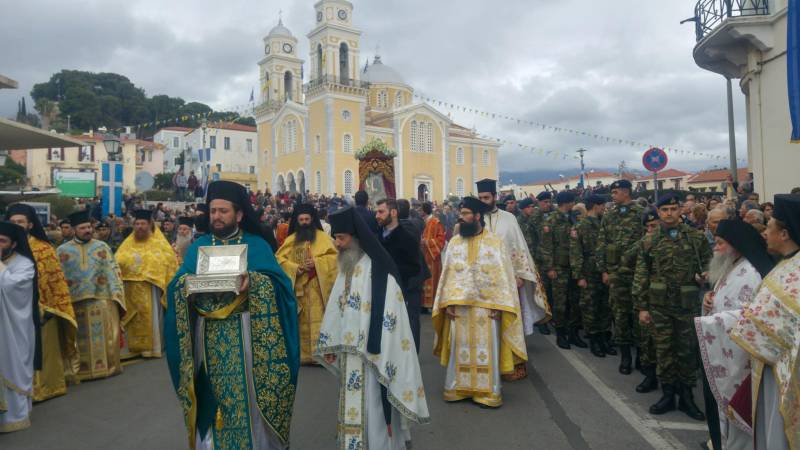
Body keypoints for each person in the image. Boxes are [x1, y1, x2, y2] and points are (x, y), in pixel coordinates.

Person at [165, 180, 299, 449]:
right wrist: (185, 285)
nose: (216, 216)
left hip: (247, 334)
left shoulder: (256, 245)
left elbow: (280, 285)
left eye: (223, 211)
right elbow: (176, 285)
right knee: (211, 394)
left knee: (249, 395)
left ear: (238, 214)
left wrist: (255, 281)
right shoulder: (199, 246)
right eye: (213, 211)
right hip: (208, 336)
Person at [316, 206, 429, 449]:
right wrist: (332, 341)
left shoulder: (378, 270)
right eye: (335, 238)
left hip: (373, 357)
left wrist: (378, 349)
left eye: (341, 238)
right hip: (350, 355)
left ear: (356, 238)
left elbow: (392, 317)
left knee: (375, 407)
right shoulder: (347, 265)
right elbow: (338, 307)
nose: (337, 243)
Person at [433, 197, 526, 408]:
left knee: (486, 350)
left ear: (477, 216)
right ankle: (458, 388)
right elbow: (447, 277)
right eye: (460, 214)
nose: (461, 217)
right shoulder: (455, 243)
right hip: (460, 308)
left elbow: (503, 277)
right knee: (460, 348)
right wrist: (447, 304)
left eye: (466, 214)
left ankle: (487, 393)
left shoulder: (494, 242)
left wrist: (499, 307)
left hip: (487, 310)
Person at [729, 194, 800, 450]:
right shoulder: (787, 264)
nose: (764, 233)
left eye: (769, 227)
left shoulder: (794, 272)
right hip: (773, 367)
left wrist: (746, 319)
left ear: (784, 234)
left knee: (778, 434)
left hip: (783, 373)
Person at [695, 219, 772, 450]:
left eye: (719, 243)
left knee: (739, 415)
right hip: (724, 350)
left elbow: (751, 317)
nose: (715, 248)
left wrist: (712, 320)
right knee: (725, 414)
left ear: (736, 244)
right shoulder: (733, 264)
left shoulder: (750, 272)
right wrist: (709, 301)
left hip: (739, 358)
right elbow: (723, 298)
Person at [633, 194, 710, 420]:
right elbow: (641, 274)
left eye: (673, 209)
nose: (668, 213)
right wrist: (642, 307)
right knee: (664, 350)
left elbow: (709, 262)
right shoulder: (649, 241)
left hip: (687, 305)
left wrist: (705, 274)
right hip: (659, 307)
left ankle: (686, 397)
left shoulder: (696, 237)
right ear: (658, 212)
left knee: (686, 352)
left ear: (680, 211)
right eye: (664, 209)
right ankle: (668, 394)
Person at [477, 179, 549, 379]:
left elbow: (518, 247)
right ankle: (488, 364)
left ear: (494, 197)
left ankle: (513, 364)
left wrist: (519, 275)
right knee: (486, 324)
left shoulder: (509, 218)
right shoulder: (475, 219)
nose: (483, 201)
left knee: (509, 320)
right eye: (480, 198)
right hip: (483, 282)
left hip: (509, 280)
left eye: (486, 197)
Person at [7, 204, 77, 402]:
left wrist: (51, 307)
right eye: (12, 222)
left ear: (30, 224)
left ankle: (45, 388)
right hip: (10, 310)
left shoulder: (44, 248)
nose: (17, 225)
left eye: (20, 222)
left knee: (41, 349)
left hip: (42, 309)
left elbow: (55, 281)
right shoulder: (4, 246)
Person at [57, 211, 126, 381]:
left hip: (100, 298)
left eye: (89, 227)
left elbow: (113, 271)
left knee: (103, 336)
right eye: (82, 228)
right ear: (74, 229)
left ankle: (106, 368)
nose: (87, 230)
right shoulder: (62, 251)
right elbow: (58, 277)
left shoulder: (102, 247)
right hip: (74, 301)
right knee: (78, 338)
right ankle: (79, 371)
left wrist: (116, 295)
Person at [276, 204, 338, 365]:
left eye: (307, 219)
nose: (304, 222)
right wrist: (296, 268)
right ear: (297, 221)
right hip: (299, 288)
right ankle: (303, 356)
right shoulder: (290, 240)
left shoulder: (323, 238)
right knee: (301, 321)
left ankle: (321, 355)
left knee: (321, 320)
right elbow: (279, 261)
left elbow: (335, 258)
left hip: (318, 288)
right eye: (301, 219)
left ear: (312, 220)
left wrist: (317, 262)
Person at [115, 209, 178, 360]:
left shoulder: (159, 243)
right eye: (137, 224)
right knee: (132, 317)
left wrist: (149, 272)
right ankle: (134, 348)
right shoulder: (128, 243)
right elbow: (118, 259)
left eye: (143, 223)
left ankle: (152, 347)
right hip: (130, 287)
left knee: (151, 318)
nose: (140, 227)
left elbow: (168, 261)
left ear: (150, 225)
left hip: (151, 288)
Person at [597, 179, 644, 374]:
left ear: (626, 192)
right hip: (616, 274)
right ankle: (626, 357)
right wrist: (604, 270)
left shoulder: (641, 213)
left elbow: (647, 239)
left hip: (637, 273)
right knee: (620, 316)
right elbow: (602, 241)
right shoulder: (610, 215)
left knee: (639, 316)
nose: (613, 196)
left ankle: (642, 357)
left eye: (616, 192)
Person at [0, 222, 38, 433]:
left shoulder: (24, 264)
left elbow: (8, 286)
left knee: (10, 367)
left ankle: (13, 417)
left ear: (14, 244)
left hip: (12, 332)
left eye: (2, 241)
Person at [376, 198, 425, 352]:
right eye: (376, 212)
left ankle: (412, 355)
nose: (377, 215)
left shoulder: (408, 233)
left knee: (410, 319)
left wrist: (394, 273)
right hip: (386, 288)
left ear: (394, 212)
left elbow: (413, 265)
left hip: (409, 284)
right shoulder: (378, 234)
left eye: (381, 212)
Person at [542, 191, 584, 349]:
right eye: (572, 201)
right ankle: (561, 334)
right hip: (559, 268)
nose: (573, 204)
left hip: (575, 267)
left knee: (574, 302)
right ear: (567, 202)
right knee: (560, 303)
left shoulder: (574, 218)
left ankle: (573, 333)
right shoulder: (552, 221)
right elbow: (546, 247)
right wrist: (550, 268)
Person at [570, 194, 610, 357]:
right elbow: (576, 252)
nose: (604, 209)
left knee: (605, 306)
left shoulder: (604, 223)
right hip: (588, 271)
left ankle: (603, 338)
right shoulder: (581, 226)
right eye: (602, 206)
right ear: (596, 206)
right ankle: (594, 340)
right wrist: (579, 276)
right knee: (590, 307)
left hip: (604, 271)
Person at [629, 207, 661, 395]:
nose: (650, 230)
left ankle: (680, 391)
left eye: (654, 226)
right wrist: (641, 306)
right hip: (651, 299)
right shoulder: (645, 244)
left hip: (674, 303)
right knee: (648, 341)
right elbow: (640, 275)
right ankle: (650, 377)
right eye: (648, 227)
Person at [532, 191, 555, 335]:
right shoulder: (535, 217)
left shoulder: (553, 215)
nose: (548, 204)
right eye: (544, 202)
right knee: (542, 292)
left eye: (549, 202)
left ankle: (550, 318)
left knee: (551, 293)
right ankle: (541, 321)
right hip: (540, 261)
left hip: (551, 259)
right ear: (539, 203)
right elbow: (533, 241)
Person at [420, 201, 445, 311]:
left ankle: (432, 305)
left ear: (424, 211)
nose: (419, 212)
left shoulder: (436, 222)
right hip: (422, 255)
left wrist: (427, 242)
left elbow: (441, 240)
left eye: (421, 210)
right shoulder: (421, 221)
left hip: (432, 257)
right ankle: (423, 305)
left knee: (432, 279)